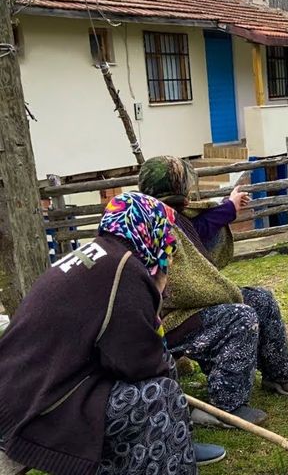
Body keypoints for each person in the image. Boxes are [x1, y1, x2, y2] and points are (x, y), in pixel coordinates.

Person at [0, 192, 224, 474]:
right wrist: (154, 294)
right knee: (159, 393)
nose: (169, 248)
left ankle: (175, 442)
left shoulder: (96, 255)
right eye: (167, 238)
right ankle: (171, 451)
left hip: (20, 392)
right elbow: (141, 363)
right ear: (148, 228)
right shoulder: (124, 270)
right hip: (37, 409)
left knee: (156, 378)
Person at [138, 156, 288, 427]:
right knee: (239, 317)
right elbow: (178, 288)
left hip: (194, 304)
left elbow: (201, 229)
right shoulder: (148, 224)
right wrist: (219, 293)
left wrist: (228, 206)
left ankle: (278, 374)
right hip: (168, 318)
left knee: (260, 299)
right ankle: (225, 406)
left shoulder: (178, 217)